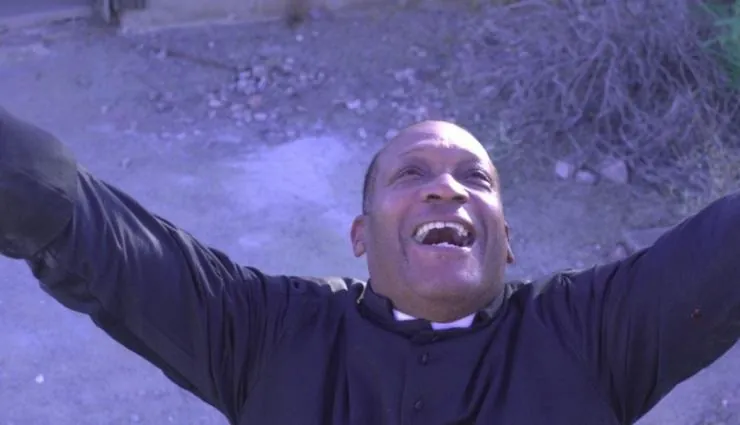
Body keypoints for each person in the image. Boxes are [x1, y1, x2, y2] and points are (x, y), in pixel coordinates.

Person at [0, 105, 738, 425]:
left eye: (475, 178)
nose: (447, 188)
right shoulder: (269, 335)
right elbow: (86, 226)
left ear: (506, 240)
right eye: (411, 174)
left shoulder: (590, 334)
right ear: (360, 234)